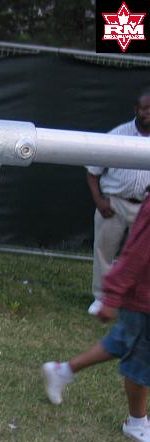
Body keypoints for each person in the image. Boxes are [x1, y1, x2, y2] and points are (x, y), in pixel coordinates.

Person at [42, 187, 150, 442]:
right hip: (143, 300)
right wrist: (112, 297)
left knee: (122, 341)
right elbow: (136, 253)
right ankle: (136, 423)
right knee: (141, 362)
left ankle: (62, 371)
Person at [85, 86, 150, 316]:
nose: (148, 113)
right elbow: (93, 170)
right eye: (144, 108)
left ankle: (135, 300)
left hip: (145, 206)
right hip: (115, 203)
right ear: (136, 109)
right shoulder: (118, 134)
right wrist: (99, 201)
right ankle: (101, 298)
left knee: (143, 256)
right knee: (105, 251)